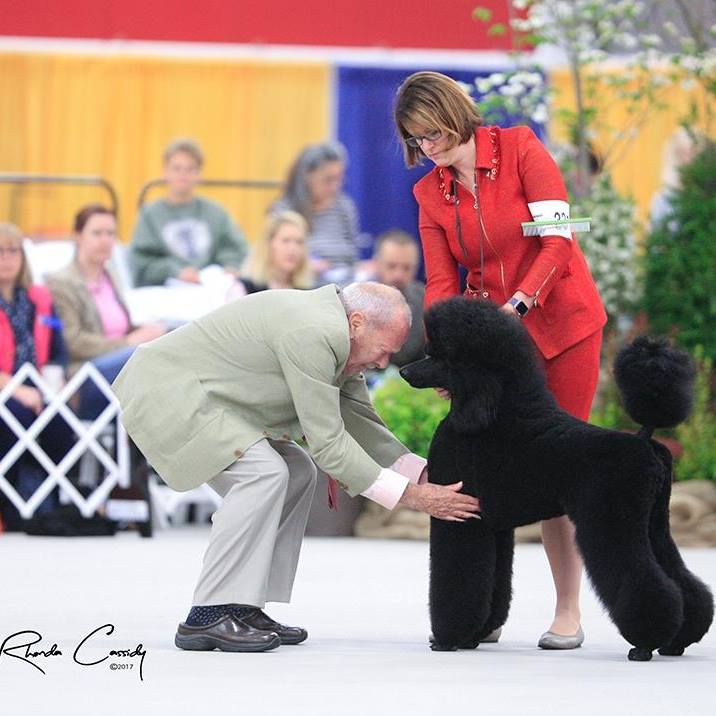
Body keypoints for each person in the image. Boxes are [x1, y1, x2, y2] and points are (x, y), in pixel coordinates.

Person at [111, 281, 480, 652]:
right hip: (168, 391)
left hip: (208, 399)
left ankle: (243, 605)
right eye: (384, 351)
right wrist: (414, 497)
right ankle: (207, 615)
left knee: (297, 470)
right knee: (263, 473)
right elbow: (329, 444)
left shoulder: (339, 337)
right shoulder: (314, 333)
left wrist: (424, 475)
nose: (384, 364)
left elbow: (360, 421)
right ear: (357, 322)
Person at [394, 71, 607, 649]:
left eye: (432, 134)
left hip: (562, 326)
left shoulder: (520, 149)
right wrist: (447, 351)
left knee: (558, 462)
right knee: (487, 463)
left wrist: (519, 303)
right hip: (496, 342)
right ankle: (484, 609)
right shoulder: (429, 194)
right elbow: (442, 281)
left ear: (454, 116)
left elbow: (557, 241)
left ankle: (568, 609)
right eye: (416, 141)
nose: (428, 150)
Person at [46, 205, 165, 420]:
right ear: (78, 236)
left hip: (124, 363)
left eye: (110, 233)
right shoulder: (59, 283)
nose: (105, 240)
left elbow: (123, 328)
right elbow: (72, 342)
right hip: (84, 373)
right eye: (97, 233)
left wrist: (150, 331)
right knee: (143, 355)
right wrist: (129, 341)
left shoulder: (111, 276)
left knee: (171, 338)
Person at [0, 223, 75, 531]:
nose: (6, 258)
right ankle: (10, 508)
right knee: (14, 418)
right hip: (7, 389)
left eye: (13, 251)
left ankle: (51, 507)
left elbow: (58, 352)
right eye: (0, 252)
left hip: (38, 387)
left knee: (61, 425)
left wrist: (52, 388)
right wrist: (18, 390)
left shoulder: (39, 299)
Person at [129, 138, 249, 287]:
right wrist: (175, 272)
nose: (183, 175)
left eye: (190, 169)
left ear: (199, 174)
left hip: (212, 291)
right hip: (166, 293)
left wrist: (229, 267)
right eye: (177, 168)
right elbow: (141, 263)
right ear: (164, 172)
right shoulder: (149, 216)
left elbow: (237, 249)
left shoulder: (216, 213)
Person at [269, 141, 361, 286]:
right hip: (303, 287)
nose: (335, 186)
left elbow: (353, 256)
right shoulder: (284, 211)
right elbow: (272, 261)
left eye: (339, 178)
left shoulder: (344, 207)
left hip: (344, 284)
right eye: (328, 180)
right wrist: (306, 266)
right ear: (307, 177)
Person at [371, 229, 425, 367]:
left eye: (407, 268)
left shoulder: (426, 300)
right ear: (376, 263)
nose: (398, 275)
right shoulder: (352, 300)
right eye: (391, 266)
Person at [238, 210, 314, 294]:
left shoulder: (309, 292)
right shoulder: (246, 288)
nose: (293, 249)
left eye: (299, 242)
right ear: (269, 244)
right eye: (286, 241)